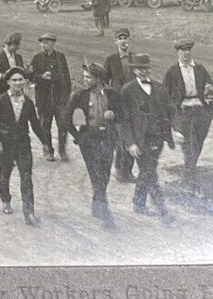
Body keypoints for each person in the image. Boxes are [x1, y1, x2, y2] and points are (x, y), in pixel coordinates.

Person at [119, 53, 176, 220]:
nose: (143, 72)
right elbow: (124, 120)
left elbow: (171, 110)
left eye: (146, 68)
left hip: (157, 139)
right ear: (134, 70)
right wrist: (130, 144)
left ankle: (138, 203)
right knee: (149, 172)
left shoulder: (159, 88)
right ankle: (162, 209)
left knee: (147, 170)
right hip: (139, 141)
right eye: (139, 69)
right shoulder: (127, 91)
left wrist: (176, 130)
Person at [67, 61, 123, 226]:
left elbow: (124, 114)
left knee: (104, 175)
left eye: (88, 77)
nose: (85, 80)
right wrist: (78, 137)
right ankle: (106, 215)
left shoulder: (112, 94)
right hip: (89, 140)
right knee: (96, 176)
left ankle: (96, 206)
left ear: (99, 78)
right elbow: (66, 118)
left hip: (108, 139)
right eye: (84, 77)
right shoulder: (79, 95)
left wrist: (114, 115)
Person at [0, 67, 45, 224]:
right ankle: (6, 200)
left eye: (20, 80)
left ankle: (29, 213)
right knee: (5, 173)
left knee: (26, 176)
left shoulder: (28, 103)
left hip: (23, 145)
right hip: (4, 144)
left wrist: (46, 142)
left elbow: (35, 124)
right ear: (8, 82)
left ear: (25, 82)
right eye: (14, 80)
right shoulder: (0, 101)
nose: (18, 83)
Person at [163, 39, 213, 179]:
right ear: (178, 53)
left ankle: (190, 167)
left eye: (188, 50)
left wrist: (209, 109)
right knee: (189, 143)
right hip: (183, 112)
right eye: (183, 50)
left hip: (200, 110)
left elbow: (211, 87)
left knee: (199, 141)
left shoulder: (199, 69)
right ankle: (189, 173)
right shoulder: (172, 72)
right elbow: (165, 95)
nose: (186, 53)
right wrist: (173, 111)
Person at [29, 32, 73, 161]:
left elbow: (67, 77)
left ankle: (62, 150)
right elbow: (30, 77)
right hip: (44, 98)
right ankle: (48, 150)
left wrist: (67, 95)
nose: (43, 45)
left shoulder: (61, 57)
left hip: (60, 98)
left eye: (46, 43)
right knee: (45, 126)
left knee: (63, 125)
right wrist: (41, 77)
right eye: (42, 43)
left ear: (53, 43)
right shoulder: (36, 58)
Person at [105, 28, 140, 182]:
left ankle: (127, 171)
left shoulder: (135, 59)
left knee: (132, 137)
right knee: (121, 138)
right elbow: (105, 83)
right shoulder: (111, 60)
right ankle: (120, 169)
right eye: (120, 38)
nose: (123, 41)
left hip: (133, 105)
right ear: (115, 42)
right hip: (118, 105)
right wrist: (109, 103)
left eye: (125, 38)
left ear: (129, 41)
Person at [0, 32, 27, 99]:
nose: (18, 47)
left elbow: (23, 75)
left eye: (18, 44)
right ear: (8, 44)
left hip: (18, 96)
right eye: (16, 45)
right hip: (2, 96)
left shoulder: (18, 58)